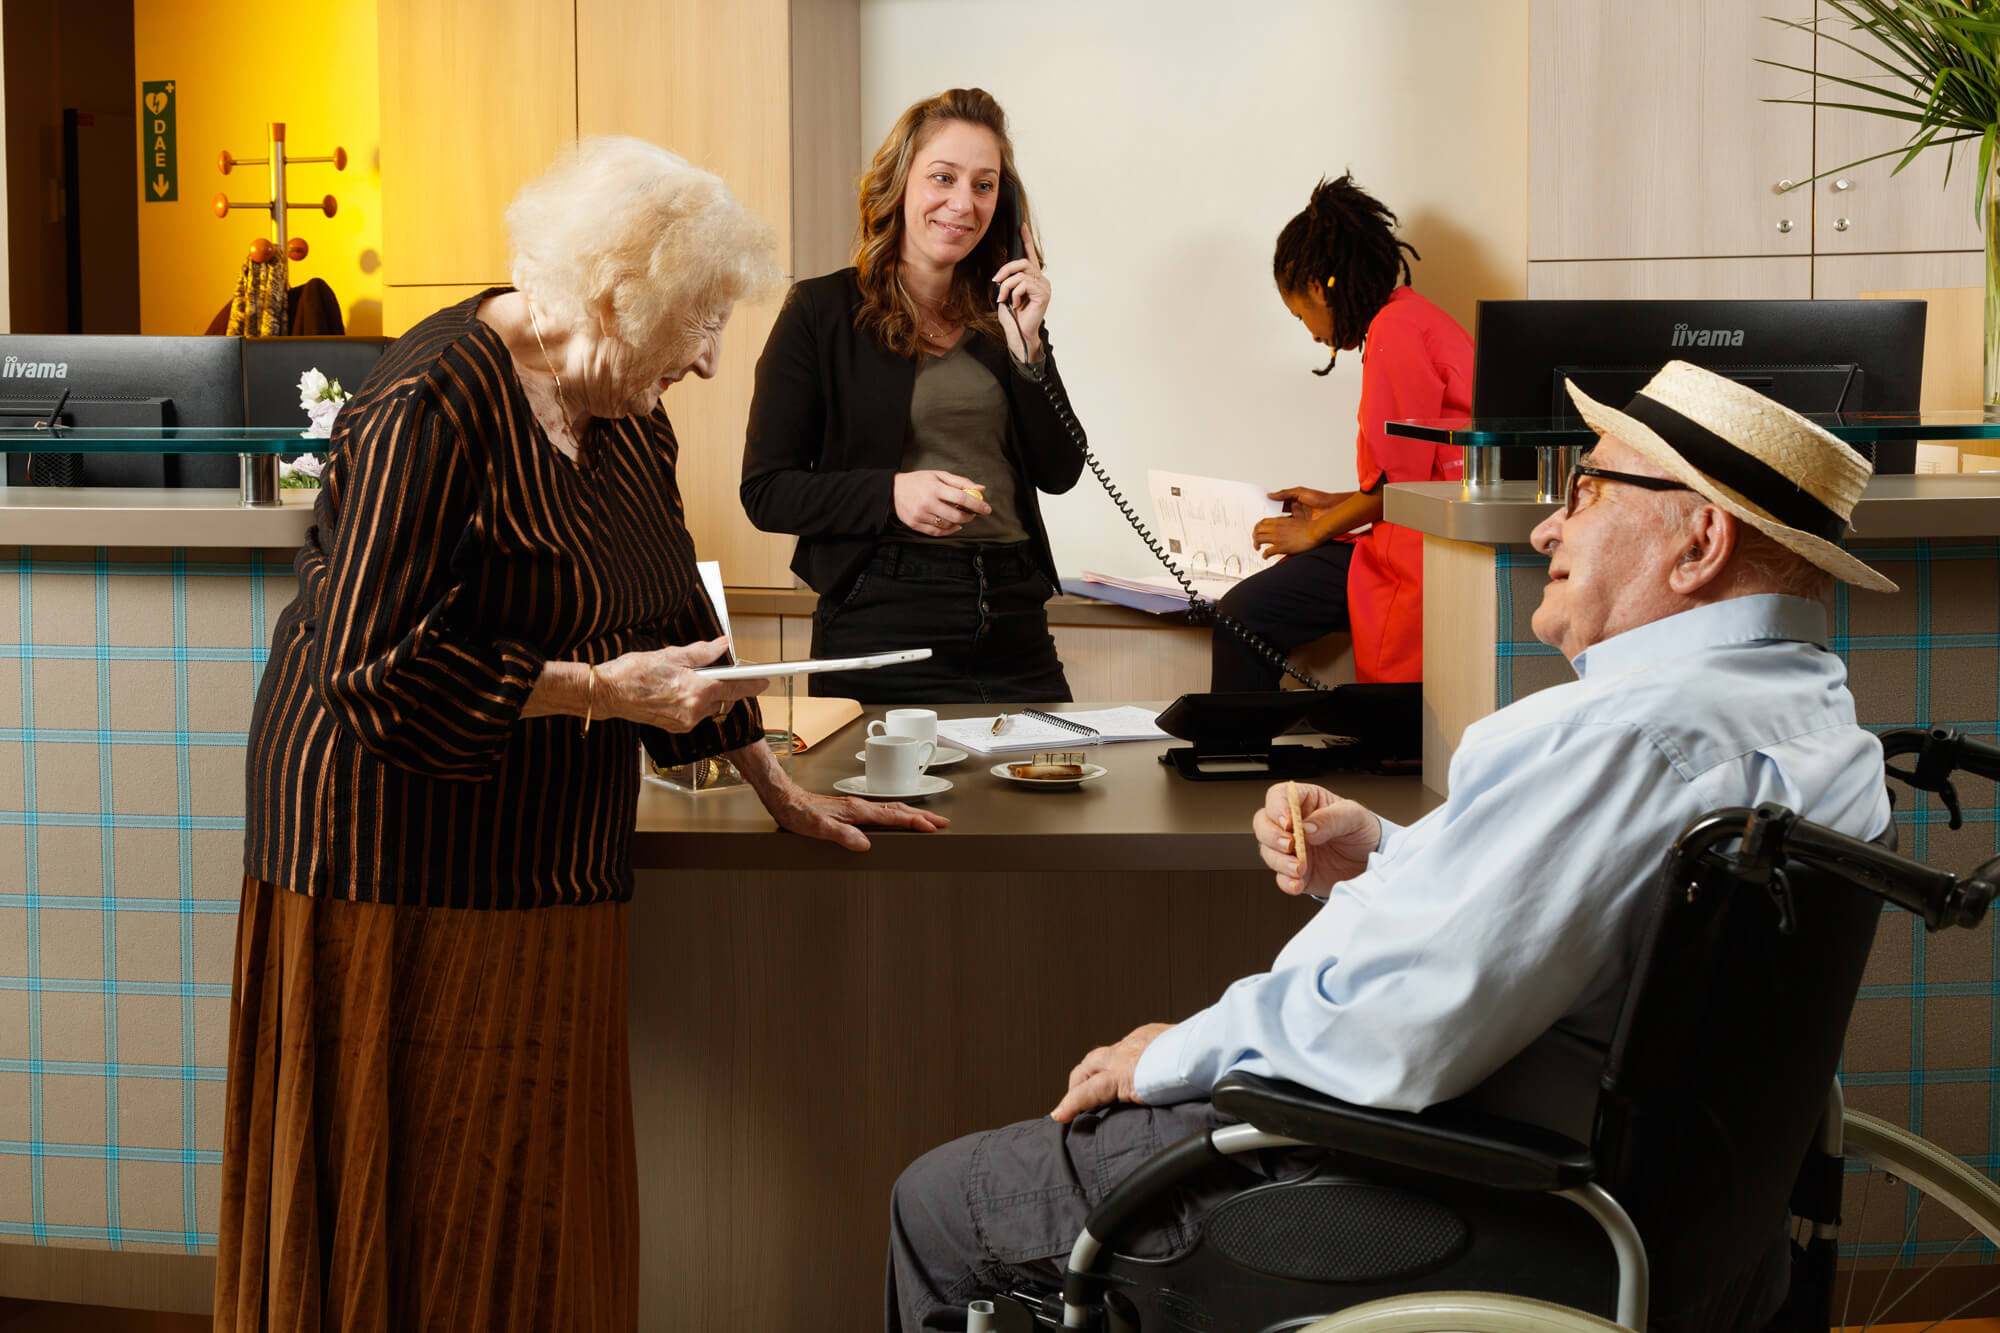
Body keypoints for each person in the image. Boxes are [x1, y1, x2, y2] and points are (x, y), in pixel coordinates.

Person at [886, 361, 1899, 1332]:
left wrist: (1170, 1053)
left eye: (1586, 491)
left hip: (1437, 1190)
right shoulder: (1819, 724)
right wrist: (1379, 852)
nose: (1546, 524)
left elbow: (1398, 1031)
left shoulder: (1624, 737)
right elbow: (1569, 929)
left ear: (1699, 543)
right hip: (1679, 1238)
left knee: (943, 1205)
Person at [219, 138, 946, 1333]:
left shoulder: (624, 409)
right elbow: (369, 663)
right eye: (700, 322)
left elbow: (671, 607)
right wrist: (601, 693)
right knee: (423, 1205)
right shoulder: (429, 403)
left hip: (547, 849)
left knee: (538, 1197)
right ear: (617, 298)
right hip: (389, 854)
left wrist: (777, 785)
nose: (709, 359)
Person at [741, 87, 1086, 704]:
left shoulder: (1004, 317)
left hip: (1013, 613)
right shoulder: (821, 310)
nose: (963, 203)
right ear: (899, 183)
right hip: (883, 612)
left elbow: (1061, 472)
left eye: (984, 186)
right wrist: (890, 494)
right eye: (943, 177)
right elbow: (766, 490)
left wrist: (1029, 348)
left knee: (1052, 770)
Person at [1210, 175, 1473, 690]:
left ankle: (1242, 739)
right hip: (1423, 533)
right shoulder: (1414, 320)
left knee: (1242, 614)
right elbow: (1413, 476)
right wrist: (1335, 504)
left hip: (1422, 554)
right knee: (1251, 609)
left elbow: (1400, 488)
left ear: (1317, 288)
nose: (1312, 333)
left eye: (1300, 315)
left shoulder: (1394, 332)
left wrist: (1314, 531)